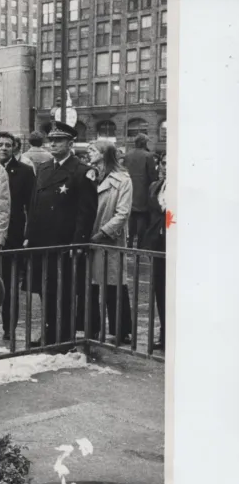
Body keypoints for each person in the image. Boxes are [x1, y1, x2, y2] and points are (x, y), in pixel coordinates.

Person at [25, 121, 98, 346]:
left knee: (65, 291)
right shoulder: (45, 168)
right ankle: (48, 333)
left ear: (70, 143)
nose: (53, 144)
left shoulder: (82, 172)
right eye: (52, 140)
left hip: (65, 243)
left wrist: (78, 242)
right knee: (45, 290)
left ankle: (63, 337)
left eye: (59, 140)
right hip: (42, 241)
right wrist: (29, 234)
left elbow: (86, 212)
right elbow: (34, 204)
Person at [87, 138, 133, 344]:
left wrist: (103, 232)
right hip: (89, 238)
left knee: (114, 284)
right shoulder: (89, 176)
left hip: (109, 241)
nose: (89, 153)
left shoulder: (123, 180)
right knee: (91, 285)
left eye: (93, 150)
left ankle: (121, 330)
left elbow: (122, 213)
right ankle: (92, 328)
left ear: (104, 153)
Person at [0, 130, 35, 339]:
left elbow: (31, 205)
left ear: (14, 148)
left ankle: (9, 328)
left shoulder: (25, 172)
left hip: (14, 235)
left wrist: (28, 233)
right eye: (0, 145)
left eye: (8, 145)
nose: (4, 148)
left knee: (9, 285)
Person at [142, 154, 167, 350]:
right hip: (157, 244)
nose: (165, 167)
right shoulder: (155, 186)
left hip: (175, 243)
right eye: (163, 163)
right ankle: (164, 335)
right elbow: (151, 214)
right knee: (160, 290)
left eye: (169, 164)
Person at [124, 133, 159, 248]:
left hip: (130, 190)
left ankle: (129, 245)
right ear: (144, 143)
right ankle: (140, 246)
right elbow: (153, 176)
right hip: (143, 192)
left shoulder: (127, 155)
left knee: (131, 218)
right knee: (142, 219)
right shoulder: (148, 156)